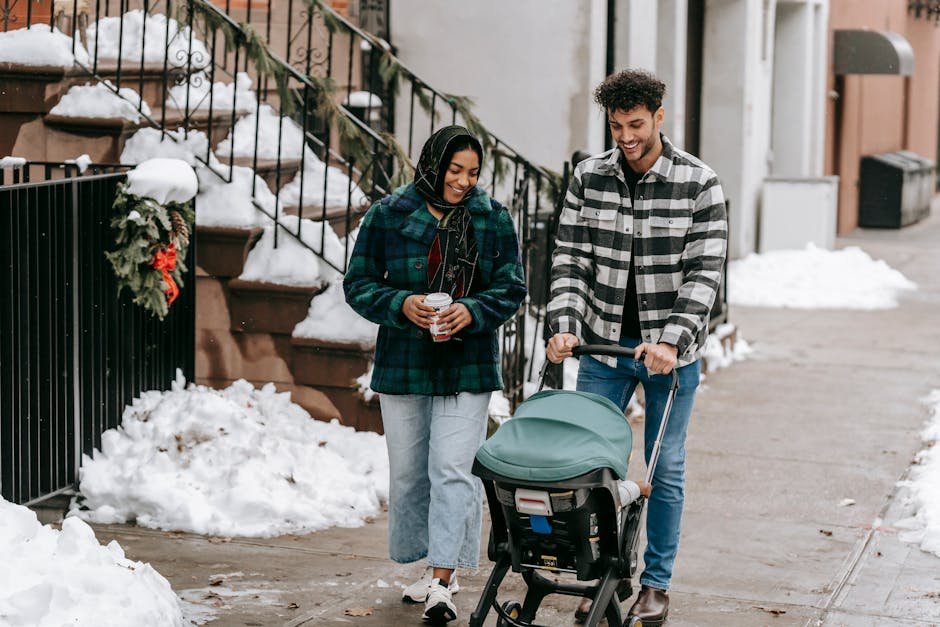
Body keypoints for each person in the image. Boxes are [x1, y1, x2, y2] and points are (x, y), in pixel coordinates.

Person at [545, 68, 727, 625]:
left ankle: (656, 583)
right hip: (602, 348)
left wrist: (672, 340)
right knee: (595, 467)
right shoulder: (588, 177)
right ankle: (602, 575)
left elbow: (704, 272)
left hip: (668, 355)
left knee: (663, 466)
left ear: (659, 117)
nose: (626, 136)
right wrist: (565, 323)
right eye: (617, 124)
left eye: (636, 124)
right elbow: (570, 256)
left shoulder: (698, 182)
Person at [344, 125, 526, 624]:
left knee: (452, 469)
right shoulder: (388, 216)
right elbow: (357, 284)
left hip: (467, 362)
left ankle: (444, 579)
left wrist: (472, 310)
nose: (464, 182)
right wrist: (401, 303)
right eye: (455, 170)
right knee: (409, 474)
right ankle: (429, 562)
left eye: (472, 173)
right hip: (404, 360)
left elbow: (511, 287)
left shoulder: (491, 220)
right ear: (432, 165)